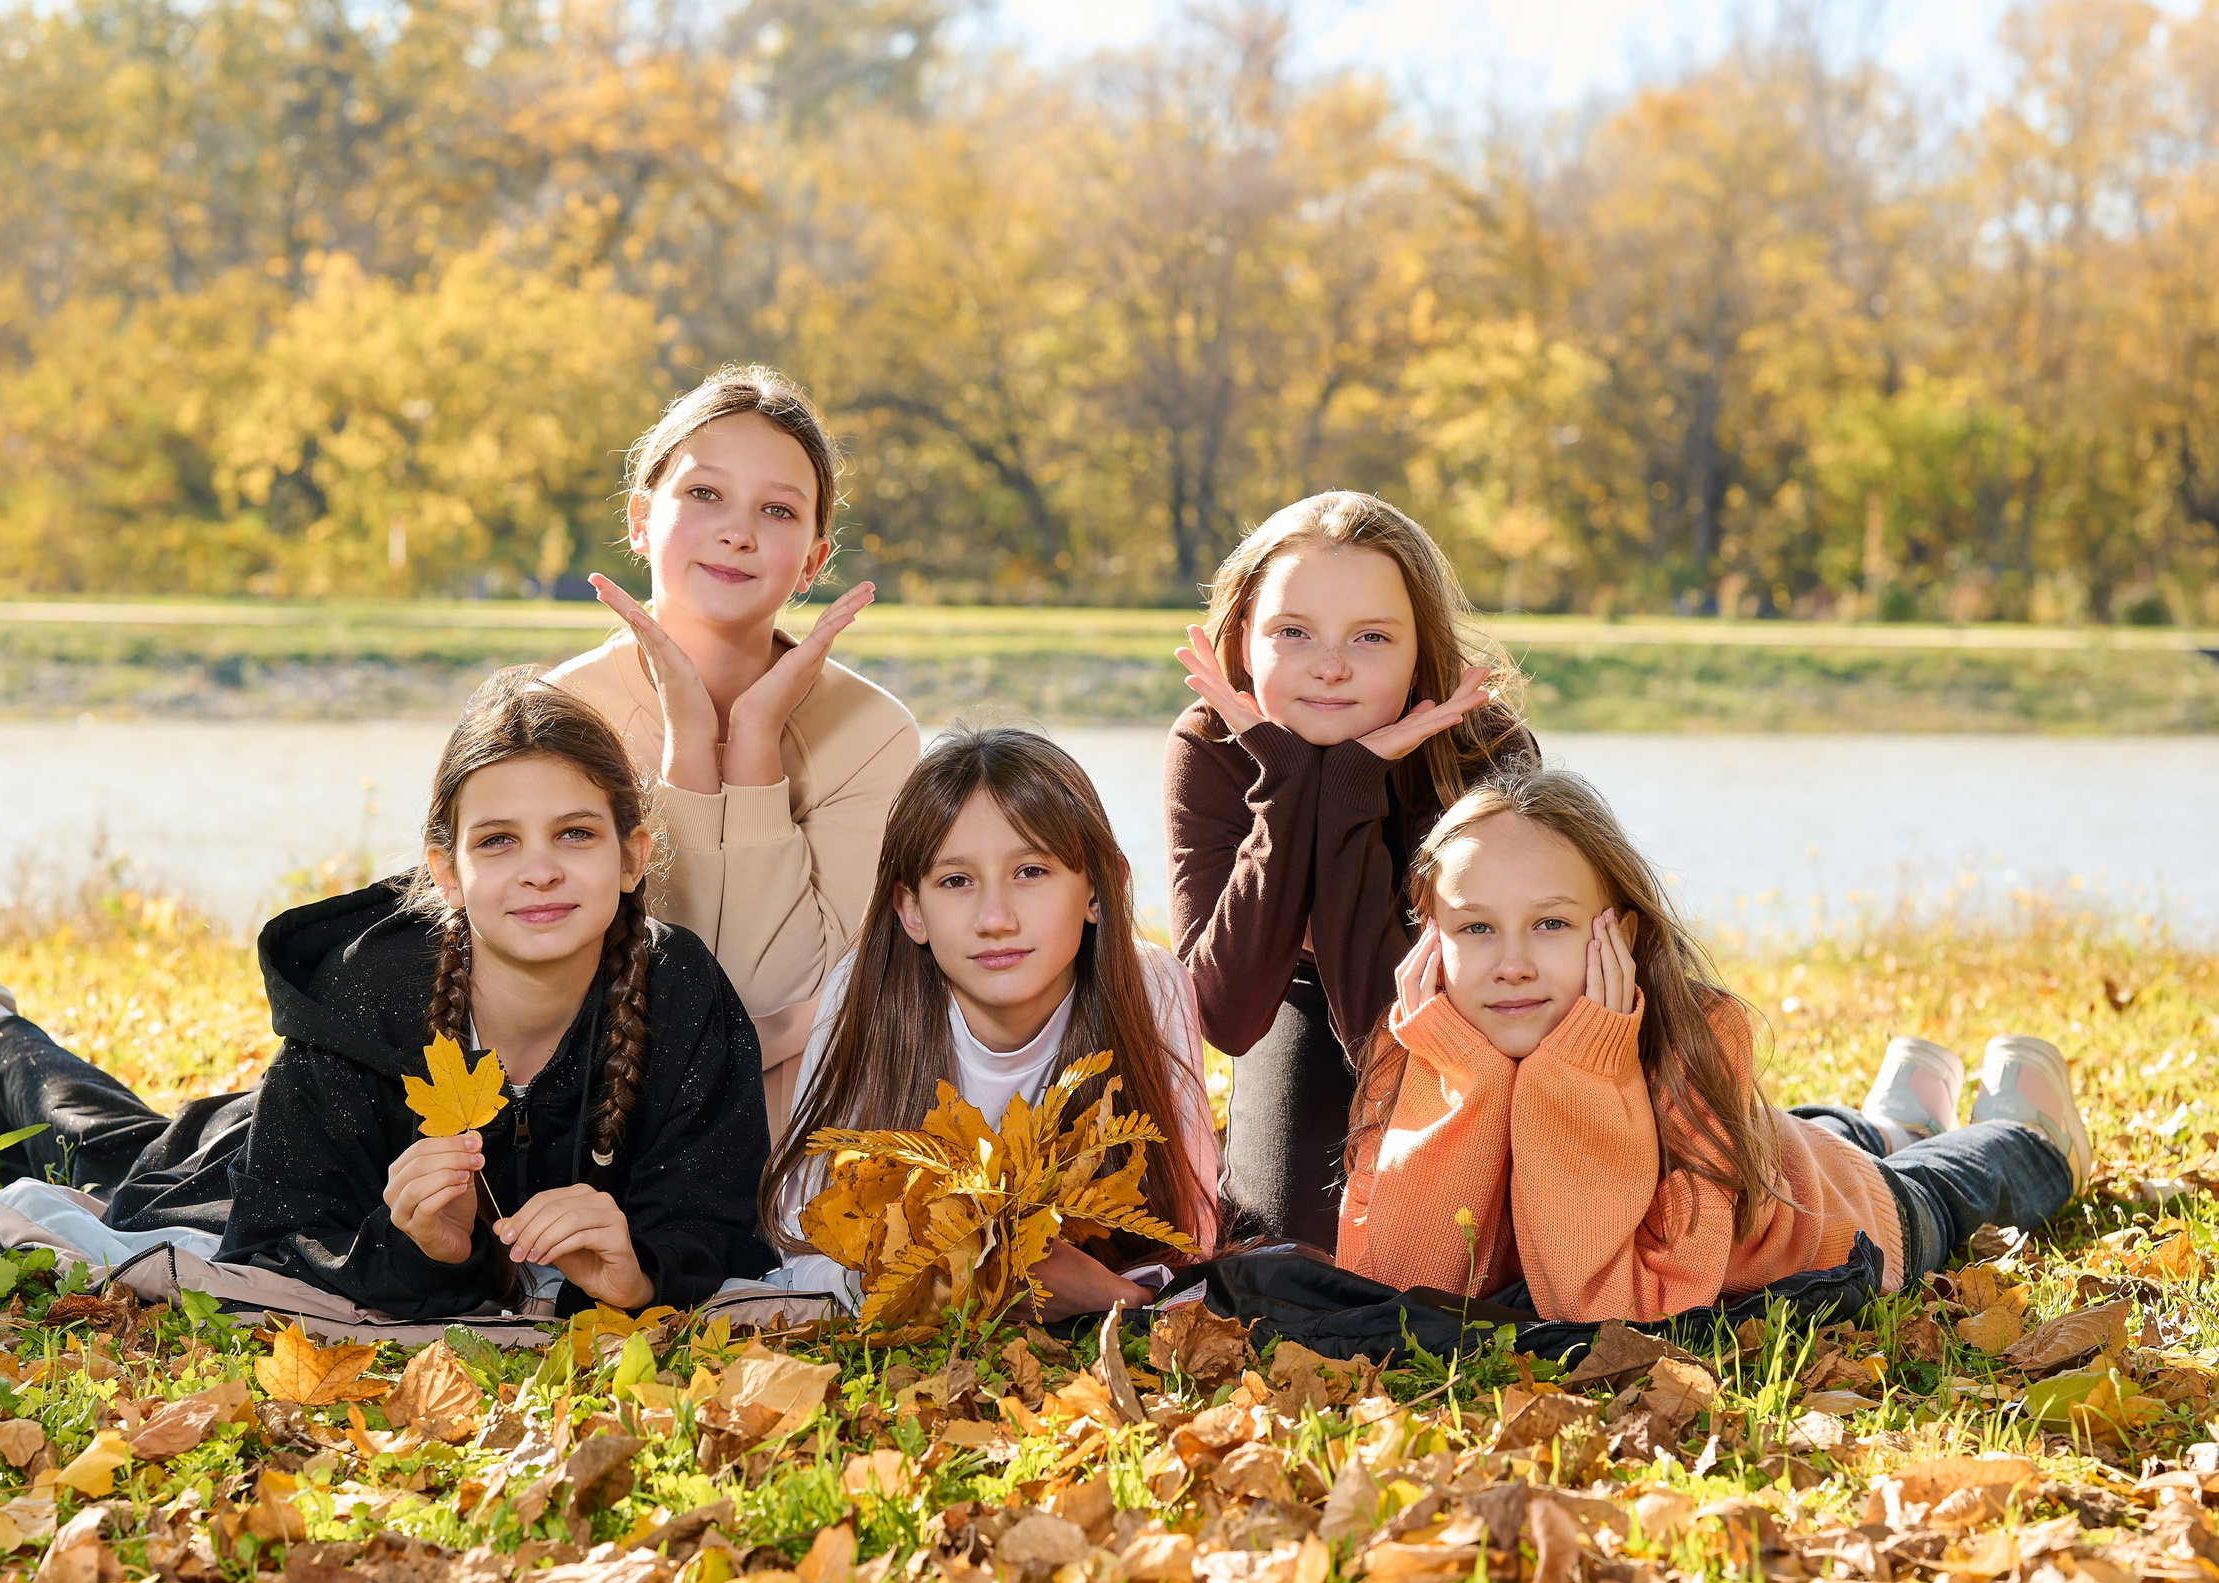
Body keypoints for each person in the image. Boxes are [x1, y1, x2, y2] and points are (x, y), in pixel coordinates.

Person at [0, 672, 773, 1321]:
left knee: (109, 1135)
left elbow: (711, 1212)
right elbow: (281, 1239)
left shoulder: (683, 992)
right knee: (97, 1148)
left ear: (630, 857)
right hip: (263, 1150)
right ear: (448, 875)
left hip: (300, 1127)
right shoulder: (369, 993)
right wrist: (429, 1247)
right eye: (498, 841)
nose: (540, 868)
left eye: (574, 835)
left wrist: (638, 1275)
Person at [1335, 764, 2084, 1321]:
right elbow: (1407, 1286)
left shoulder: (1693, 1042)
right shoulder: (1429, 1046)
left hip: (1842, 1218)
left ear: (1620, 934)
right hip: (1773, 1154)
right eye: (1476, 928)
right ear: (1431, 941)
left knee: (1943, 1188)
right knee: (1791, 1137)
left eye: (1552, 924)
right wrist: (1464, 1072)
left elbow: (1616, 1305)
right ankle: (1901, 1114)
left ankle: (2025, 1126)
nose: (1513, 963)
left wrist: (1581, 1068)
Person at [550, 365, 919, 1134]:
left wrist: (752, 750)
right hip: (593, 1111)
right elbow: (603, 995)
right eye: (705, 494)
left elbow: (786, 990)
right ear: (641, 519)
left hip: (791, 1128)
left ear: (814, 563)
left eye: (777, 510)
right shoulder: (555, 718)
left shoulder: (874, 735)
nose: (738, 531)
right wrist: (690, 746)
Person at [1165, 490, 1534, 1251]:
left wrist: (1353, 786)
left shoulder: (1484, 755)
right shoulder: (1211, 746)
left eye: (1370, 637)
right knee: (1294, 1248)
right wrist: (1290, 779)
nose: (1329, 669)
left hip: (1476, 1027)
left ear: (1419, 649)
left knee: (1445, 1245)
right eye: (1293, 633)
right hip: (1292, 998)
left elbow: (1398, 1037)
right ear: (1242, 640)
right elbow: (1228, 1016)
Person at [756, 725, 1220, 1317]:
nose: (995, 918)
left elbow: (1190, 1233)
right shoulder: (867, 990)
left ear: (1099, 892)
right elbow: (803, 1234)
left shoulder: (1150, 987)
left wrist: (1117, 1297)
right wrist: (976, 1280)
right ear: (911, 910)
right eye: (956, 881)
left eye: (1031, 871)